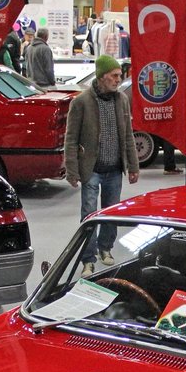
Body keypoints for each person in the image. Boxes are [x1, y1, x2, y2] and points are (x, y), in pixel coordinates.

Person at [63, 55, 139, 273]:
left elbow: (128, 136)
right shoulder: (82, 102)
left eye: (119, 76)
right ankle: (88, 258)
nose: (118, 80)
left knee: (111, 212)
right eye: (114, 76)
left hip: (114, 169)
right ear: (102, 77)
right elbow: (71, 139)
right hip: (91, 170)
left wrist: (133, 167)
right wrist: (72, 170)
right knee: (89, 214)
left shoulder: (122, 100)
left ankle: (106, 248)